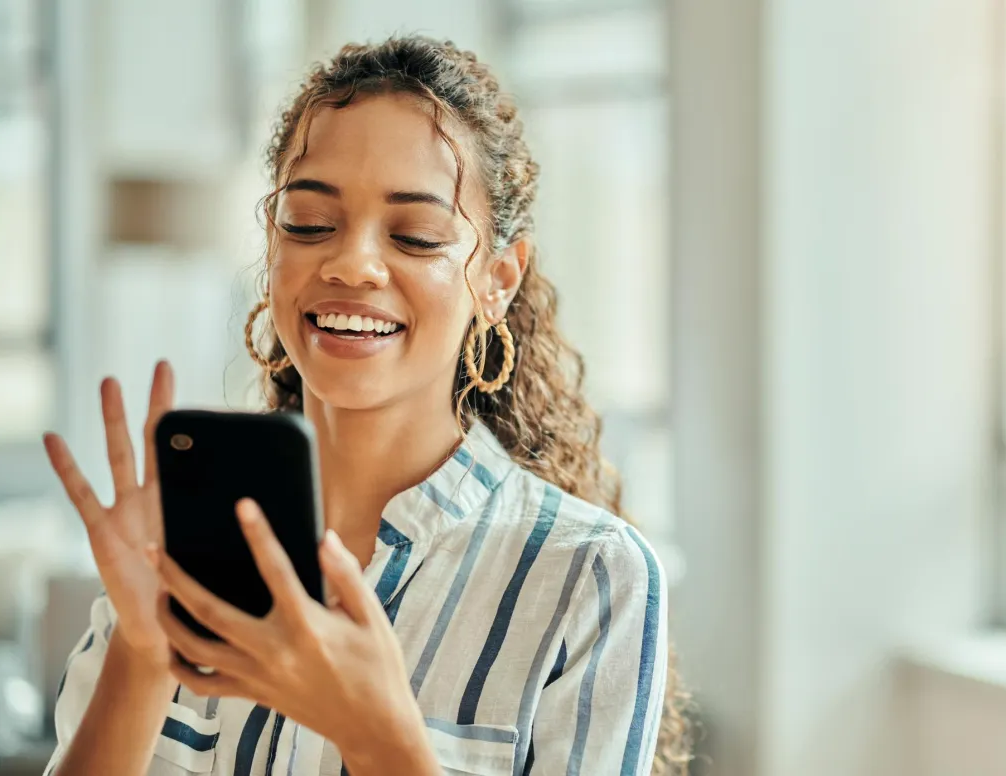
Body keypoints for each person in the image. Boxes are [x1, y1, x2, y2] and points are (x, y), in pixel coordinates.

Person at [39, 35, 693, 776]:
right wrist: (143, 649)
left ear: (499, 279)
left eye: (415, 235)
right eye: (310, 223)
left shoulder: (590, 577)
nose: (351, 264)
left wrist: (383, 740)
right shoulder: (186, 533)